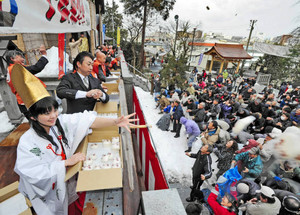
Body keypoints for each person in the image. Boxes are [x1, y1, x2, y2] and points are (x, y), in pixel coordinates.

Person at [11, 64, 137, 215]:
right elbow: (32, 174)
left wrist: (115, 122)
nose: (53, 116)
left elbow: (86, 120)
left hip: (68, 181)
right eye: (46, 113)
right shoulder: (27, 142)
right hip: (50, 195)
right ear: (32, 117)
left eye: (54, 109)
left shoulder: (60, 122)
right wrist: (64, 163)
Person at [6, 45, 48, 119]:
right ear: (12, 59)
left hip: (24, 100)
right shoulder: (16, 68)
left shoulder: (11, 69)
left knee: (37, 122)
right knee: (38, 122)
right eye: (19, 56)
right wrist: (44, 55)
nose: (22, 57)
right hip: (28, 101)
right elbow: (37, 68)